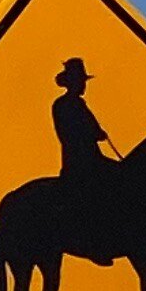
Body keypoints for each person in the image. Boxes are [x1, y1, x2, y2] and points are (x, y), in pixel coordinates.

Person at [50, 56, 115, 203]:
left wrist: (99, 133)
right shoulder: (64, 105)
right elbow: (69, 133)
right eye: (81, 81)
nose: (83, 85)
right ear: (72, 82)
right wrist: (94, 134)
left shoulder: (77, 103)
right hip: (79, 160)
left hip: (92, 157)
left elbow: (93, 127)